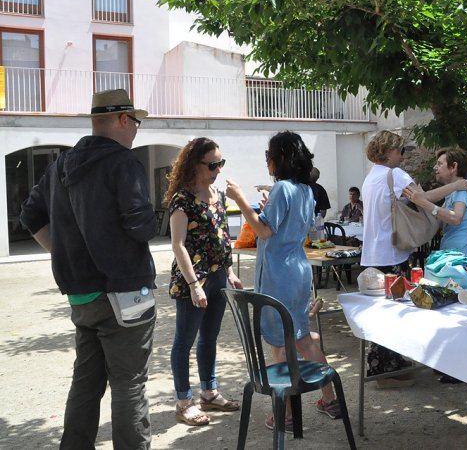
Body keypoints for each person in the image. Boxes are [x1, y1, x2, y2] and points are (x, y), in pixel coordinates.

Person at [19, 89, 158, 449]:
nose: (137, 130)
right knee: (129, 383)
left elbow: (30, 215)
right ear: (123, 120)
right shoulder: (123, 163)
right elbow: (142, 227)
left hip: (81, 293)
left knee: (86, 382)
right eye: (136, 123)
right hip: (124, 290)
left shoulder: (60, 165)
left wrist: (62, 252)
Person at [225, 131, 341, 431]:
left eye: (269, 155)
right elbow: (281, 224)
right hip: (297, 270)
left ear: (279, 158)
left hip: (279, 274)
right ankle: (329, 398)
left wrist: (240, 199)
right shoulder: (305, 189)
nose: (267, 161)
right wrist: (266, 209)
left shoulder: (282, 190)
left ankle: (285, 414)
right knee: (301, 335)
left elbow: (264, 232)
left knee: (281, 343)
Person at [361, 131, 467, 387]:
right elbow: (423, 199)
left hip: (373, 254)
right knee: (393, 310)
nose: (402, 155)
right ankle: (386, 370)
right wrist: (455, 186)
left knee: (381, 311)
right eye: (399, 150)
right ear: (388, 151)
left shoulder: (372, 176)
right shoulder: (395, 175)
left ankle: (387, 363)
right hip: (391, 253)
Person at [165, 137, 243, 426]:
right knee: (183, 341)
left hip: (218, 277)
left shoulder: (217, 194)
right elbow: (178, 245)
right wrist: (194, 284)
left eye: (220, 163)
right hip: (193, 281)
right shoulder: (182, 200)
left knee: (209, 337)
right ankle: (184, 401)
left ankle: (208, 392)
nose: (218, 169)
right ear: (194, 164)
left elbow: (223, 237)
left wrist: (230, 272)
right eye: (212, 164)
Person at [403, 147, 467, 268]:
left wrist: (424, 202)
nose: (435, 167)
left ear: (453, 167)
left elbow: (455, 218)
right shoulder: (454, 190)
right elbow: (440, 221)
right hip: (454, 253)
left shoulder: (464, 190)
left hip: (462, 255)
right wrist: (421, 202)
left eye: (439, 164)